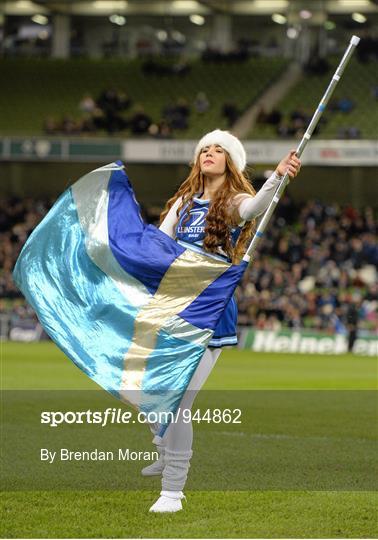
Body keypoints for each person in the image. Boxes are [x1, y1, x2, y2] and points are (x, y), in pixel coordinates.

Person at [144, 129, 301, 513]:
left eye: (218, 150)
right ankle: (164, 446)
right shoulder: (184, 201)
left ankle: (173, 491)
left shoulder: (232, 201)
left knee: (180, 400)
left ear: (230, 161)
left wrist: (277, 176)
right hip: (173, 304)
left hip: (209, 310)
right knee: (149, 391)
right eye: (204, 149)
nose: (209, 153)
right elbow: (155, 246)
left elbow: (253, 210)